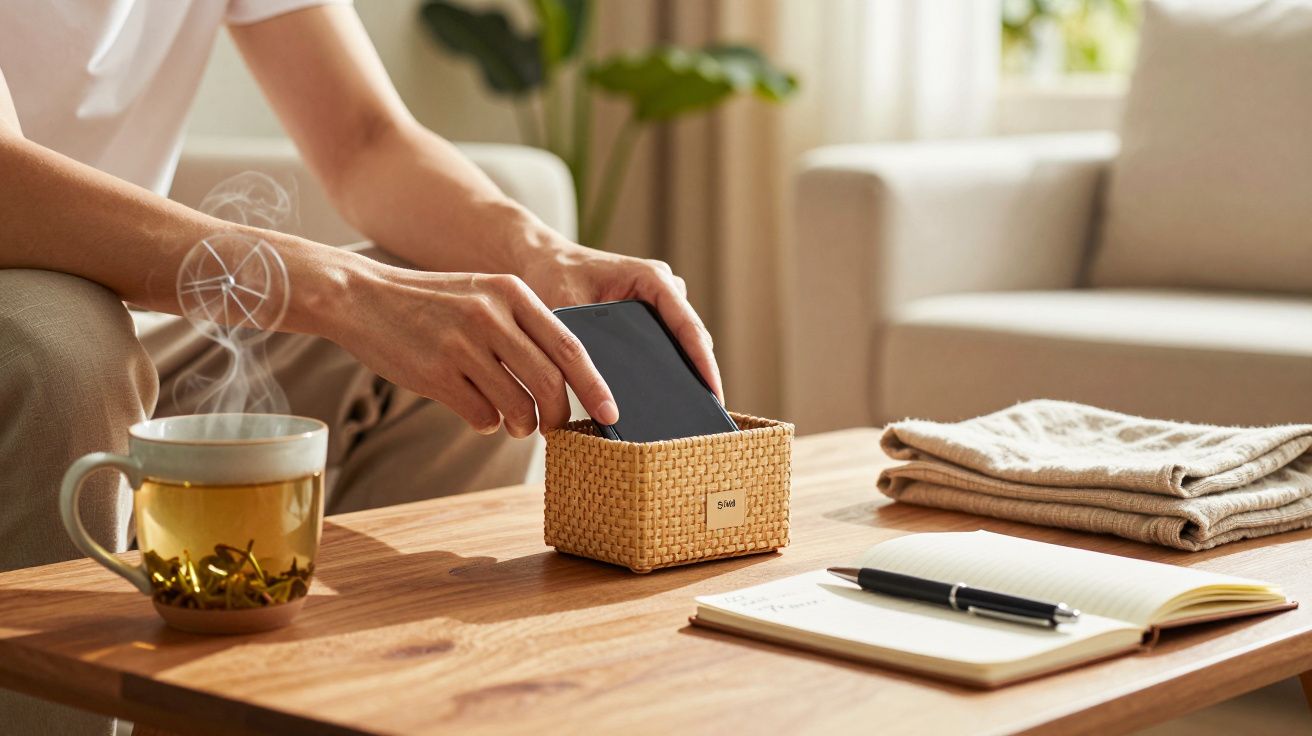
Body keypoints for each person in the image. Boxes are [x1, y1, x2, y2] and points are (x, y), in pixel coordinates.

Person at [0, 1, 721, 732]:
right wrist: (345, 293)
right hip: (43, 321)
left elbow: (365, 139)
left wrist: (544, 256)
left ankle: (381, 706)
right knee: (68, 350)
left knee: (466, 328)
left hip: (139, 323)